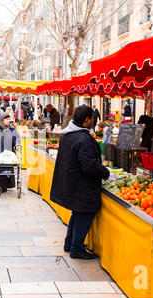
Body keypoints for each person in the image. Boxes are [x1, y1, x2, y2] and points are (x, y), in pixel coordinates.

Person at [50, 105, 110, 260]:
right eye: (92, 118)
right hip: (82, 186)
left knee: (77, 214)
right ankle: (76, 249)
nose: (93, 120)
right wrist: (105, 172)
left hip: (72, 183)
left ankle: (69, 244)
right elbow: (88, 165)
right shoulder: (83, 139)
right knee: (83, 216)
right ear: (86, 120)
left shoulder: (68, 135)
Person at [0, 112, 21, 193]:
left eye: (9, 119)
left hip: (9, 153)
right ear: (2, 120)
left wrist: (17, 145)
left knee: (8, 167)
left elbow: (17, 137)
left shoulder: (12, 128)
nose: (9, 121)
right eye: (7, 119)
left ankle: (7, 185)